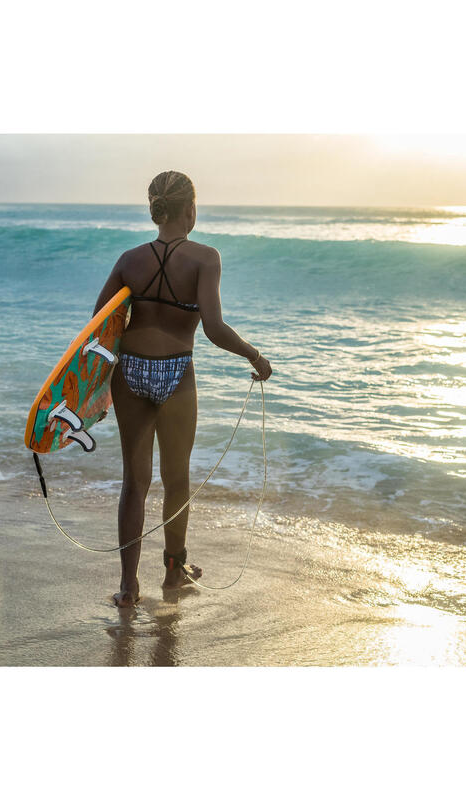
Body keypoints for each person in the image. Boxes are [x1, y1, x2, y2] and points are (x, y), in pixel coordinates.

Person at [93, 171, 272, 607]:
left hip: (130, 371)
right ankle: (175, 572)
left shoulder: (129, 259)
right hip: (176, 373)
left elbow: (100, 321)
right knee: (177, 479)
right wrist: (254, 356)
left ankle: (127, 587)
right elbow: (212, 328)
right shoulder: (205, 258)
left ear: (155, 209)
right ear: (190, 210)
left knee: (134, 484)